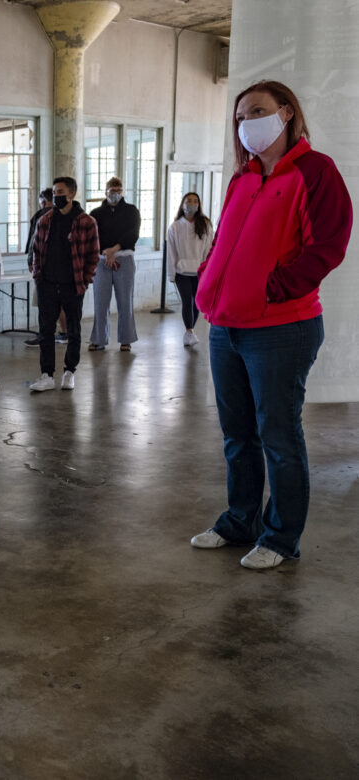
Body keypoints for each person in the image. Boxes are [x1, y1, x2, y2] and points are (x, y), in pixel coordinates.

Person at [190, 80, 352, 570]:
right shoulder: (242, 178)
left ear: (285, 113)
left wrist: (271, 288)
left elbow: (328, 246)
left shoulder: (314, 171)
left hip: (281, 328)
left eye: (256, 112)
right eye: (239, 117)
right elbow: (225, 242)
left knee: (279, 437)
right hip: (226, 327)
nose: (246, 125)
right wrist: (209, 277)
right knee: (238, 434)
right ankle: (241, 520)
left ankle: (281, 536)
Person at [28, 177, 99, 391]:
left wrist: (85, 280)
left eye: (60, 192)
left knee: (73, 330)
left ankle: (70, 371)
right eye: (54, 192)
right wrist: (37, 274)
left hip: (73, 284)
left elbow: (93, 255)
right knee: (46, 330)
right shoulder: (45, 220)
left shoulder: (86, 222)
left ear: (72, 194)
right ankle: (46, 374)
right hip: (47, 283)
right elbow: (37, 250)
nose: (56, 196)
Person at [88, 177, 141, 352]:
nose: (115, 193)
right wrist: (106, 252)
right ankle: (99, 339)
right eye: (112, 189)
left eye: (118, 189)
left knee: (125, 300)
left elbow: (132, 234)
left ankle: (126, 339)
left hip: (124, 258)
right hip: (102, 260)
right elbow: (93, 237)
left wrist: (115, 249)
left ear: (122, 191)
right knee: (100, 301)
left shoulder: (131, 211)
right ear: (106, 191)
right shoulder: (96, 213)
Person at [165, 192, 213, 347]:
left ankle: (190, 330)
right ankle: (189, 331)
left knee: (197, 303)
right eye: (188, 201)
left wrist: (207, 269)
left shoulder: (205, 224)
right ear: (182, 204)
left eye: (195, 201)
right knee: (187, 300)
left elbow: (209, 247)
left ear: (199, 205)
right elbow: (171, 252)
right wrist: (171, 274)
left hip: (200, 270)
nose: (192, 204)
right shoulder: (175, 227)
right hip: (182, 272)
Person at [23, 188, 66, 348]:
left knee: (47, 302)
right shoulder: (62, 217)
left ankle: (47, 334)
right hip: (56, 267)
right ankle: (63, 332)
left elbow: (35, 242)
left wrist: (31, 262)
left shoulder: (43, 217)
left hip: (44, 267)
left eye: (42, 202)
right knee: (58, 302)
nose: (42, 206)